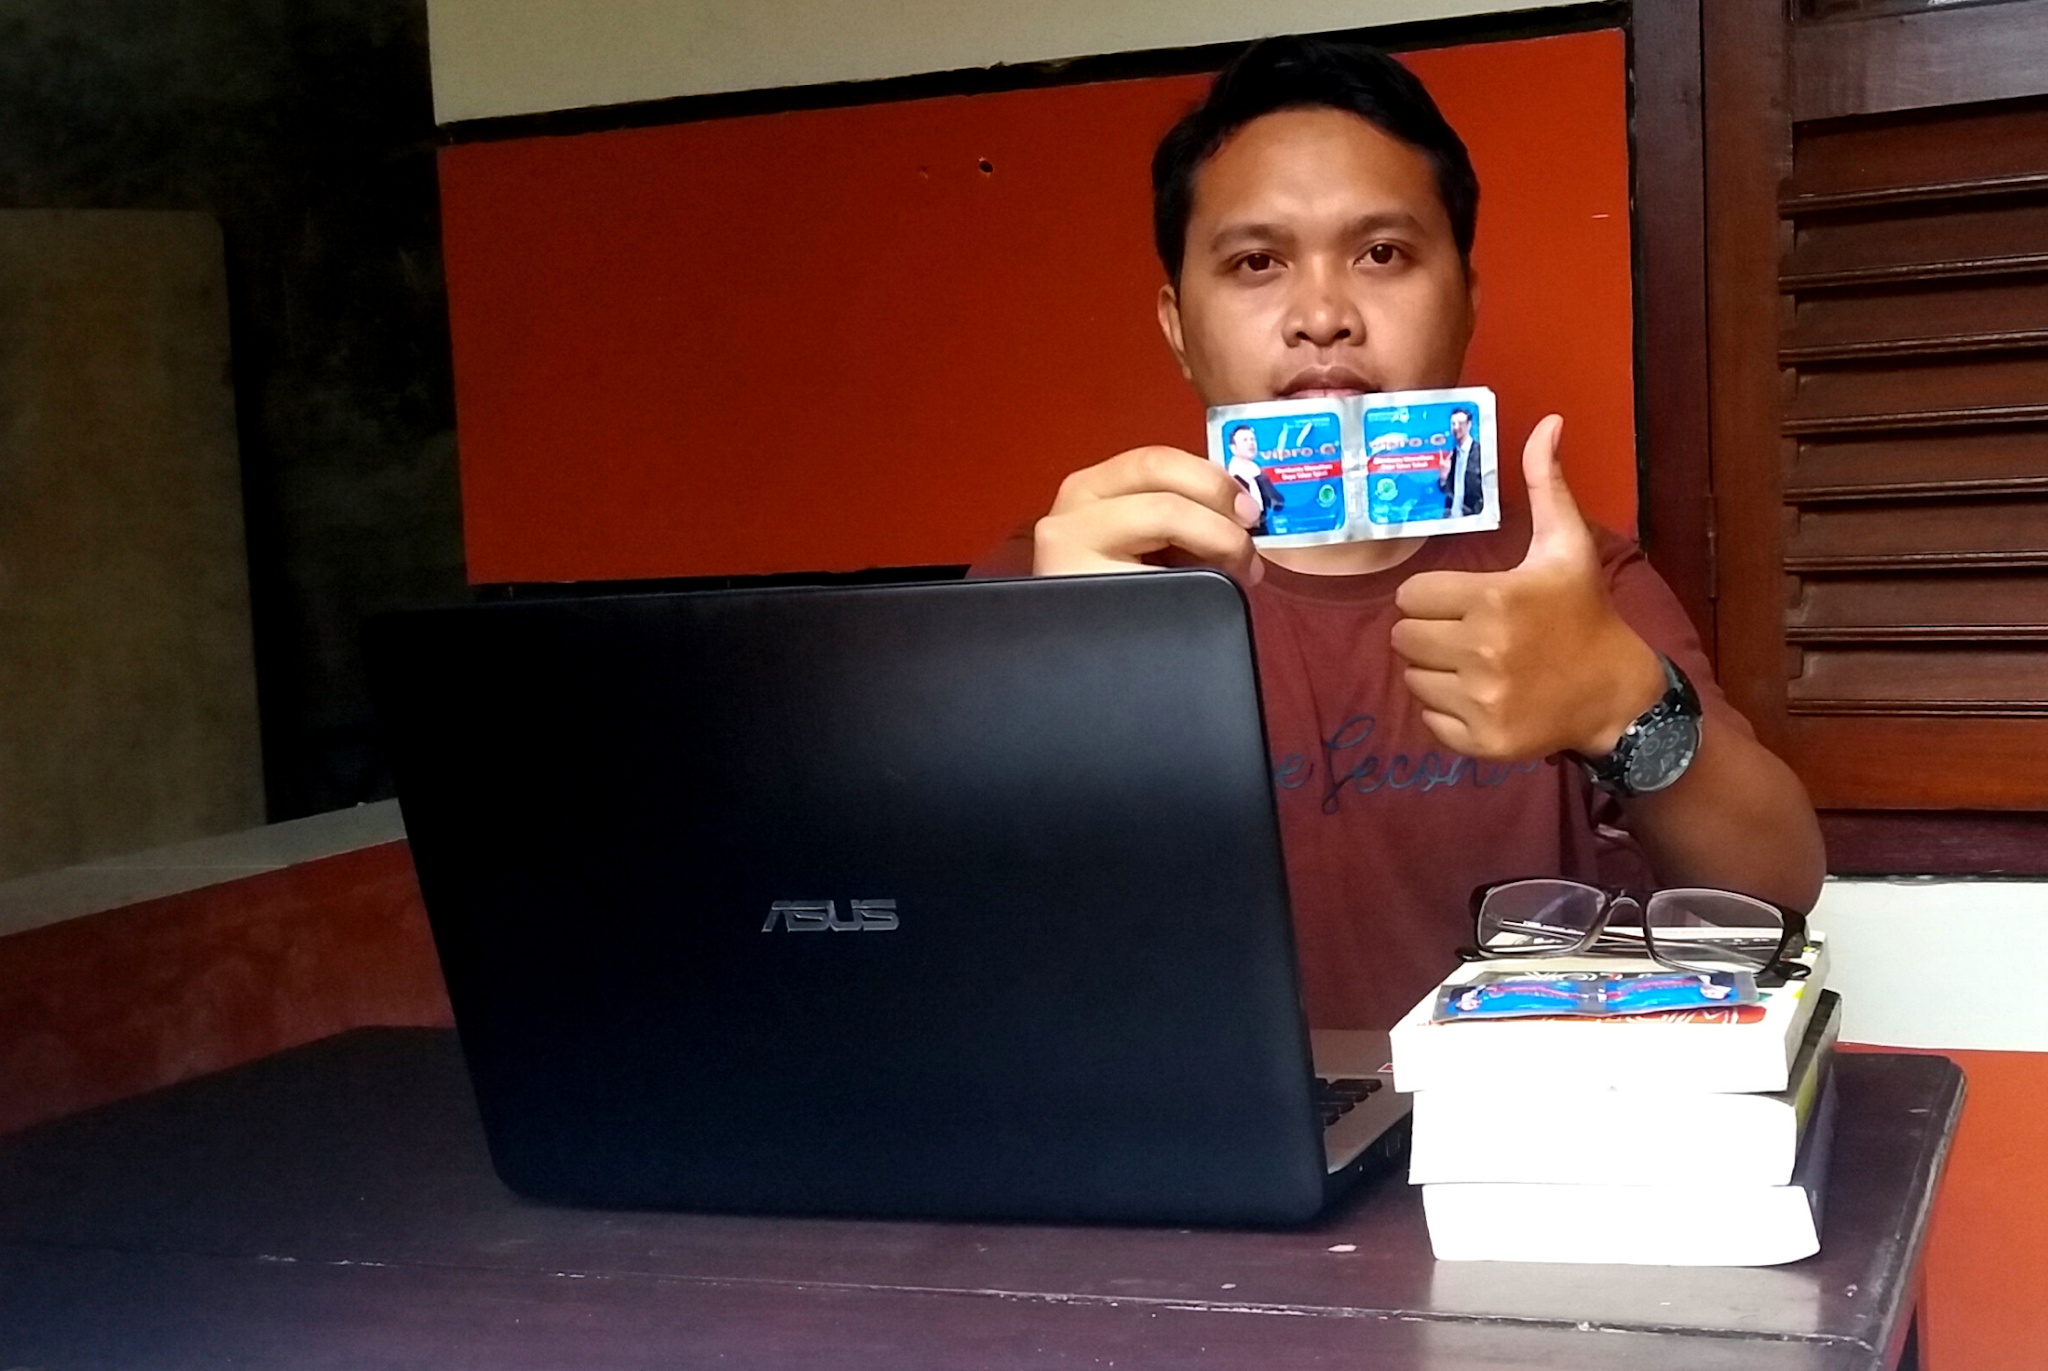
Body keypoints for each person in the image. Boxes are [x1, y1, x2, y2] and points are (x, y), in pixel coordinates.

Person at [973, 36, 1824, 1029]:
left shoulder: (1564, 577)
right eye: (1255, 262)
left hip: (1502, 1111)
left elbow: (1776, 890)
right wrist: (1052, 681)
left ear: (1465, 299)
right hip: (1181, 1118)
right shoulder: (1052, 581)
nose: (1322, 315)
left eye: (1381, 253)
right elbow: (941, 949)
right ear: (1176, 325)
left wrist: (1620, 703)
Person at [1222, 421, 1273, 534]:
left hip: (1263, 530)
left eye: (1252, 439)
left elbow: (1276, 502)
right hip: (1240, 533)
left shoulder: (1259, 472)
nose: (1250, 443)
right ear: (1233, 448)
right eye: (1245, 440)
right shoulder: (1229, 476)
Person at [1440, 403, 1482, 517]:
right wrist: (1443, 478)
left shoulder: (1480, 452)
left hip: (1473, 518)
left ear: (1469, 425)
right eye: (1453, 424)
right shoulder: (1452, 455)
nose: (1456, 427)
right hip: (1453, 518)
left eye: (1460, 423)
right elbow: (1448, 492)